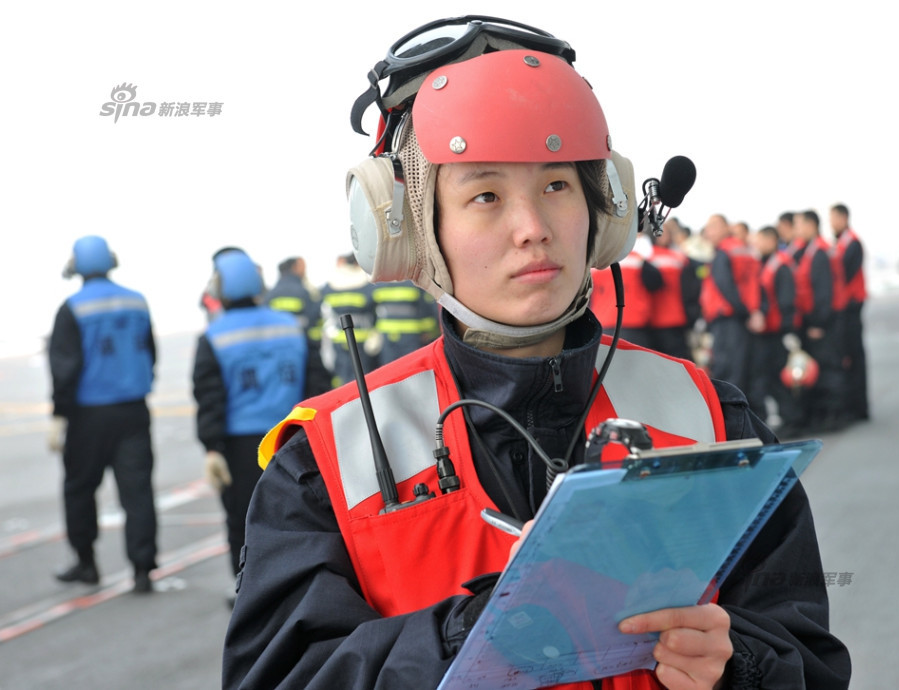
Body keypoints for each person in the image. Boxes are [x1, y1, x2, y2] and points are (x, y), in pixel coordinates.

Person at [223, 16, 850, 690]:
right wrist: (462, 637)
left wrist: (739, 664)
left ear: (603, 211)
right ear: (405, 233)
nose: (532, 230)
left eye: (556, 186)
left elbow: (808, 658)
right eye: (485, 196)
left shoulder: (710, 419)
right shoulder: (326, 465)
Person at [192, 250, 331, 597]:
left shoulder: (214, 336)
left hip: (241, 444)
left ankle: (247, 590)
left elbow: (209, 397)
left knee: (243, 517)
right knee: (302, 513)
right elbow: (318, 385)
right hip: (292, 437)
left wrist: (211, 447)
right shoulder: (291, 326)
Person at [47, 235, 158, 593]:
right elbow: (149, 353)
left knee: (80, 489)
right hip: (133, 411)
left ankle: (87, 563)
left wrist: (59, 414)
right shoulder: (137, 301)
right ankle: (142, 570)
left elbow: (66, 368)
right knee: (137, 492)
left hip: (88, 415)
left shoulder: (73, 308)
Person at [792, 210, 847, 431]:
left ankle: (834, 416)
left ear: (810, 225)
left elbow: (824, 291)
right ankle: (824, 415)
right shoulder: (810, 250)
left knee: (828, 369)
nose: (796, 230)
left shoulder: (819, 253)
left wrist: (818, 323)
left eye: (798, 225)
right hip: (816, 321)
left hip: (824, 324)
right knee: (820, 369)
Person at [747, 225, 804, 435]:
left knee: (782, 378)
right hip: (768, 332)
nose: (757, 245)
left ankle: (793, 419)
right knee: (770, 378)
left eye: (760, 240)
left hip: (778, 332)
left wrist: (787, 331)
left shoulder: (780, 265)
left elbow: (787, 300)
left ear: (771, 241)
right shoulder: (766, 264)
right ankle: (786, 417)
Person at [699, 214, 764, 392]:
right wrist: (753, 312)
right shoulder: (744, 250)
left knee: (726, 371)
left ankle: (728, 417)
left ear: (724, 228)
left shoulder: (724, 252)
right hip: (741, 317)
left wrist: (745, 312)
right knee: (741, 368)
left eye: (712, 227)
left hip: (729, 318)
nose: (708, 232)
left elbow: (726, 286)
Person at [829, 203, 869, 422]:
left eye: (834, 218)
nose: (831, 223)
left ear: (844, 218)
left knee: (855, 357)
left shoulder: (852, 243)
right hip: (845, 308)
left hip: (852, 307)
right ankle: (853, 406)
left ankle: (860, 408)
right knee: (849, 358)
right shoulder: (840, 243)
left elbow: (843, 275)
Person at [319, 252, 380, 386]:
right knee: (364, 383)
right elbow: (375, 312)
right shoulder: (365, 284)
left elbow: (325, 313)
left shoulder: (330, 285)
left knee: (342, 382)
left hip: (338, 342)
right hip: (362, 343)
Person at [590, 242, 661, 349]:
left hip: (603, 324)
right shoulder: (637, 260)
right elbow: (656, 283)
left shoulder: (595, 263)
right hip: (633, 324)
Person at [647, 226, 700, 360]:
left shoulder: (647, 256)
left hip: (667, 318)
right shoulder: (679, 257)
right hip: (663, 318)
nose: (664, 236)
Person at [371, 279, 441, 365]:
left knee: (404, 368)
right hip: (400, 339)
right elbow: (428, 310)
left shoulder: (379, 285)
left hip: (406, 338)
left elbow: (428, 310)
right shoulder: (415, 284)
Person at [266, 256, 325, 344]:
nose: (305, 271)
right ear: (295, 268)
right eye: (303, 267)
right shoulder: (305, 293)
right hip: (303, 345)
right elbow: (314, 321)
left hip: (277, 346)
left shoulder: (270, 295)